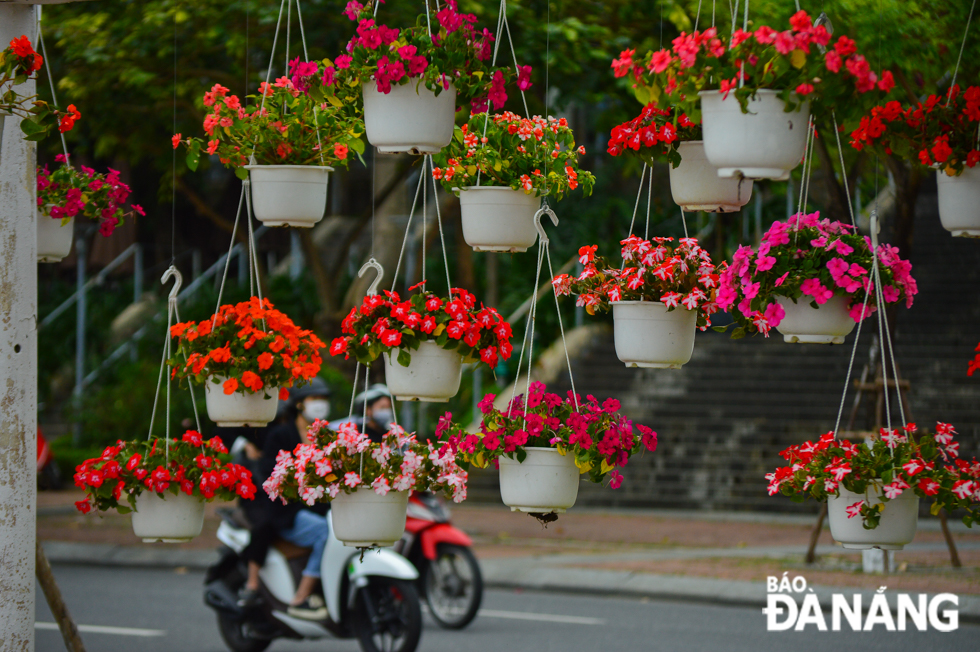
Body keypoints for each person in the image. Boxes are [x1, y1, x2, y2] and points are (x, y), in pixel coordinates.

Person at [238, 377, 333, 620]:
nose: (320, 404)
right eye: (314, 399)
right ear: (300, 404)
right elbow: (270, 474)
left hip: (321, 509)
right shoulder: (281, 435)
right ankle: (300, 599)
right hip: (286, 512)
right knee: (325, 533)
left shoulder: (328, 438)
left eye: (323, 399)